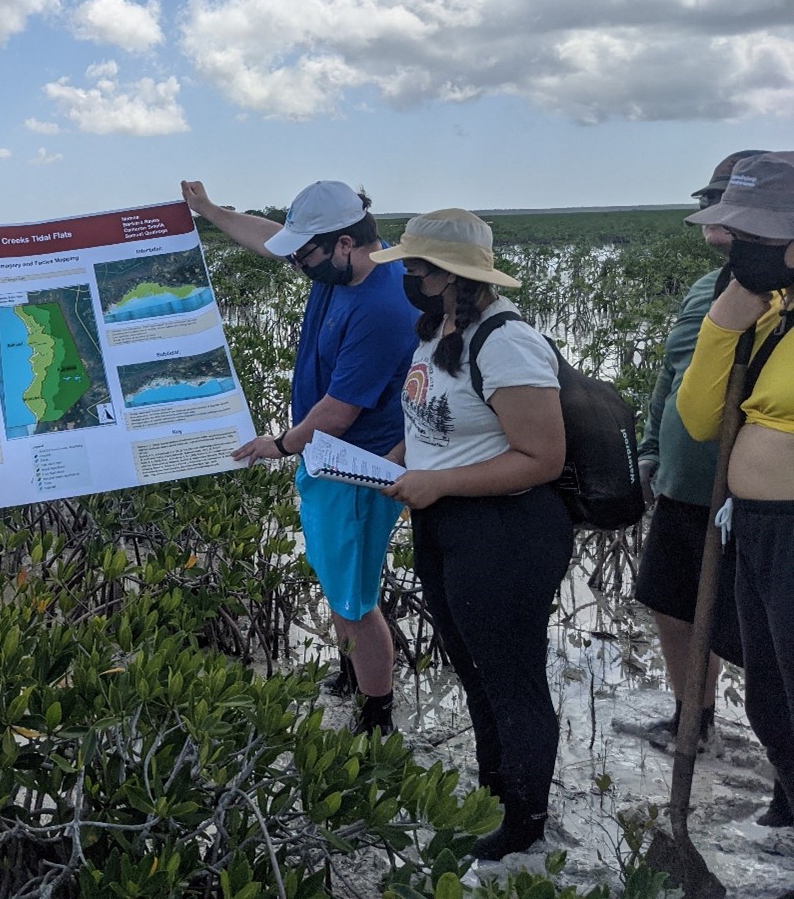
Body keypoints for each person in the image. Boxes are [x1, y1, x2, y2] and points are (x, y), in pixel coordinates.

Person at [182, 179, 417, 735]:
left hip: (357, 465)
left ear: (342, 243)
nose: (295, 265)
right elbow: (272, 240)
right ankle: (350, 673)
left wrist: (279, 444)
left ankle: (375, 713)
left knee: (355, 599)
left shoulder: (383, 307)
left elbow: (337, 413)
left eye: (304, 254)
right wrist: (210, 209)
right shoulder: (341, 266)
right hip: (328, 457)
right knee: (341, 580)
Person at [373, 209, 572, 861]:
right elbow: (436, 422)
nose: (406, 275)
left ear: (450, 275)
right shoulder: (437, 330)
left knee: (512, 676)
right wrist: (402, 460)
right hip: (446, 522)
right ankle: (497, 790)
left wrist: (442, 484)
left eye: (415, 267)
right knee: (474, 666)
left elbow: (541, 457)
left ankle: (525, 821)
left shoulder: (505, 341)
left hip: (505, 530)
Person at [627, 151, 764, 755]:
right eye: (709, 206)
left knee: (758, 630)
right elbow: (672, 374)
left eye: (721, 209)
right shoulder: (706, 287)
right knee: (668, 601)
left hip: (748, 495)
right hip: (683, 483)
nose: (711, 225)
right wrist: (652, 448)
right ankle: (694, 716)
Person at [678, 151, 794, 845]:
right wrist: (729, 316)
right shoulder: (770, 316)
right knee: (770, 703)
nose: (737, 249)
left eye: (753, 239)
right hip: (757, 528)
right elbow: (700, 417)